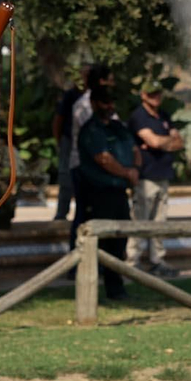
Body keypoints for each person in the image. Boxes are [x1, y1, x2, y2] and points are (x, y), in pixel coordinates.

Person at [75, 87, 140, 301]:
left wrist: (135, 169)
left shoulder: (117, 127)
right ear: (93, 103)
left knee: (120, 241)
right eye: (104, 102)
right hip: (99, 195)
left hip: (119, 193)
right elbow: (103, 158)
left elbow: (134, 149)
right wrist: (128, 172)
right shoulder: (90, 130)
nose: (109, 106)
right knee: (101, 244)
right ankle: (93, 293)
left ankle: (116, 288)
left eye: (111, 102)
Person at [128, 82, 183, 276]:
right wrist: (163, 141)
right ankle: (132, 262)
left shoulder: (164, 116)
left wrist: (161, 143)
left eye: (158, 93)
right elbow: (153, 141)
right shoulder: (139, 116)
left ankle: (156, 261)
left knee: (159, 222)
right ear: (143, 95)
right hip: (146, 177)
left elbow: (179, 142)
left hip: (163, 175)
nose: (156, 97)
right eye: (151, 94)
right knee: (140, 221)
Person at [68, 64, 113, 247]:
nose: (113, 84)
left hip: (102, 168)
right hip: (83, 167)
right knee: (83, 215)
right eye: (110, 80)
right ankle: (76, 262)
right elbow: (94, 139)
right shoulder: (84, 105)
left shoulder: (108, 105)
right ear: (101, 81)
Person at [51, 72, 85, 221]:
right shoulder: (70, 95)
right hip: (69, 140)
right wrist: (60, 140)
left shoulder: (94, 95)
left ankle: (83, 212)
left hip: (86, 142)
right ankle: (61, 212)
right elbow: (59, 119)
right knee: (65, 176)